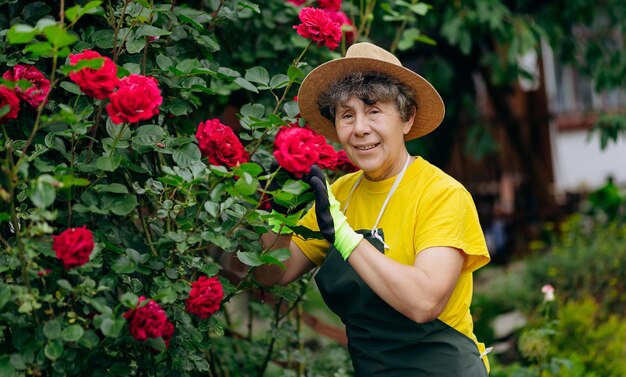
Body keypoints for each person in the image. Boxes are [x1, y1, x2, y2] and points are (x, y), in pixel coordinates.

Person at [255, 42, 491, 376]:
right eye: (347, 115)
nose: (361, 129)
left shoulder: (442, 195)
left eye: (374, 111)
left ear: (406, 118)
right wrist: (274, 205)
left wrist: (345, 237)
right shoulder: (339, 196)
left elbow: (424, 302)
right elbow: (272, 273)